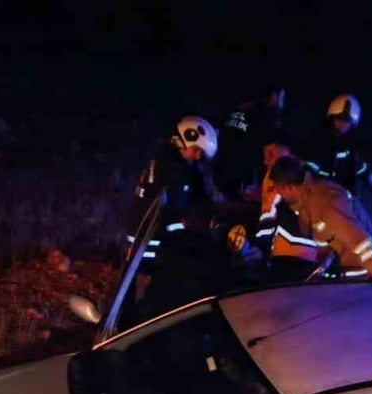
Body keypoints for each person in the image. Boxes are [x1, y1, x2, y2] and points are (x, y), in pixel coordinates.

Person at [125, 116, 231, 323]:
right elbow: (158, 215)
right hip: (149, 247)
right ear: (185, 140)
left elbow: (197, 198)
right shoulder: (170, 169)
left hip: (156, 244)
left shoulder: (179, 166)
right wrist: (185, 228)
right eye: (197, 150)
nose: (198, 156)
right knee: (144, 301)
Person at [266, 155, 372, 284]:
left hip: (367, 272)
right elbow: (327, 238)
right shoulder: (307, 203)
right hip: (352, 269)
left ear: (290, 187)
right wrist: (321, 266)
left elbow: (357, 237)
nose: (278, 193)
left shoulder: (324, 201)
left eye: (279, 188)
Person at [254, 140, 327, 280]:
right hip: (317, 255)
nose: (266, 161)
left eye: (270, 154)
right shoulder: (312, 171)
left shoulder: (275, 178)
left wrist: (259, 247)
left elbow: (268, 214)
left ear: (288, 152)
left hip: (289, 254)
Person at [215, 84, 286, 201]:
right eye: (282, 97)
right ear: (274, 96)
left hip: (221, 172)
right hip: (246, 179)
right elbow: (271, 147)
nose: (282, 102)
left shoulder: (236, 109)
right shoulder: (268, 113)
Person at [304, 94, 372, 196]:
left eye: (347, 121)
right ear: (332, 118)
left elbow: (358, 165)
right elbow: (310, 164)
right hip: (320, 193)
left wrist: (369, 177)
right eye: (339, 119)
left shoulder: (352, 144)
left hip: (344, 196)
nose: (342, 124)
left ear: (353, 124)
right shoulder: (319, 139)